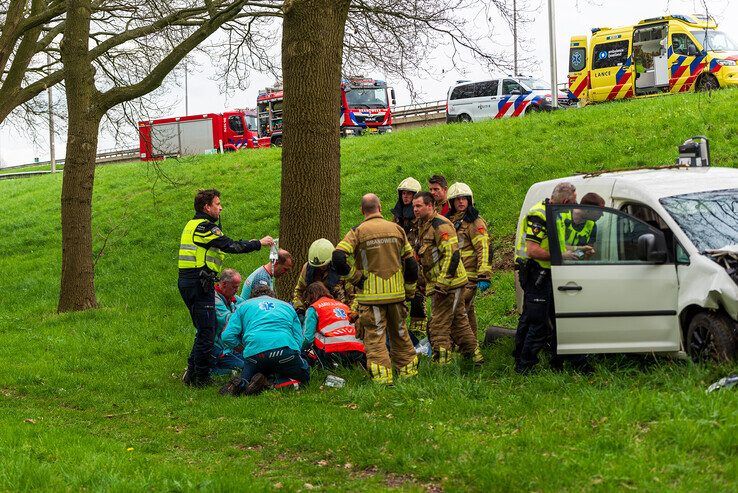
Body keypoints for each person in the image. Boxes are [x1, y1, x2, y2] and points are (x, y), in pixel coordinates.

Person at [178, 188, 273, 387]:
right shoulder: (205, 228)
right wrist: (259, 243)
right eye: (217, 204)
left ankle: (192, 373)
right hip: (198, 283)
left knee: (204, 329)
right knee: (207, 330)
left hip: (191, 282)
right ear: (207, 207)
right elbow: (231, 246)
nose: (221, 208)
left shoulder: (192, 225)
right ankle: (201, 378)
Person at [333, 193, 420, 385]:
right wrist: (409, 290)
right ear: (380, 208)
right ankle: (409, 376)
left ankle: (383, 381)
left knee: (375, 339)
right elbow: (412, 265)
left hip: (372, 298)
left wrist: (355, 277)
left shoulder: (357, 232)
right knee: (400, 335)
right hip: (397, 296)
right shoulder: (397, 229)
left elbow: (338, 257)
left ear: (362, 211)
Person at [513, 182, 583, 374]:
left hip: (549, 273)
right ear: (567, 200)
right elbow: (533, 250)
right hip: (536, 273)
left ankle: (557, 361)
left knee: (538, 318)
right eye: (574, 201)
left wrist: (577, 250)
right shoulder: (540, 215)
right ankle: (525, 367)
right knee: (538, 323)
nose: (574, 205)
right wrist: (561, 256)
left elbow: (556, 245)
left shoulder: (556, 213)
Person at [413, 191, 483, 365]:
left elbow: (452, 255)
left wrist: (442, 283)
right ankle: (474, 357)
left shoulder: (441, 225)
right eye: (414, 206)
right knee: (459, 323)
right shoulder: (424, 225)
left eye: (419, 206)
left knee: (438, 325)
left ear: (430, 206)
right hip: (443, 284)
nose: (415, 209)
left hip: (448, 285)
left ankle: (442, 363)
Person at [219, 285, 309, 396]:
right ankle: (269, 384)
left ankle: (243, 384)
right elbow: (298, 338)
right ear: (273, 296)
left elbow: (227, 336)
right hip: (284, 351)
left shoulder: (242, 306)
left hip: (255, 355)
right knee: (304, 376)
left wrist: (243, 349)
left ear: (252, 297)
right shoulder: (287, 306)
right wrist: (295, 353)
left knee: (251, 373)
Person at [446, 182, 493, 336]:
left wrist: (484, 275)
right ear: (451, 202)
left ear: (469, 200)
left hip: (469, 277)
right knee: (467, 311)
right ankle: (473, 347)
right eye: (457, 199)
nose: (460, 202)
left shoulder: (475, 222)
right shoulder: (450, 222)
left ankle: (456, 344)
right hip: (455, 277)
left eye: (464, 198)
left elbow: (484, 248)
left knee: (456, 312)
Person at [391, 177, 427, 338]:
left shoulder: (420, 217)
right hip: (399, 260)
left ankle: (418, 325)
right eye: (403, 193)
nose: (405, 196)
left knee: (418, 292)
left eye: (409, 194)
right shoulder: (397, 216)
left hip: (417, 259)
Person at [302, 282, 366, 368]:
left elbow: (308, 338)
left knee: (315, 334)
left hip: (334, 350)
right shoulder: (343, 305)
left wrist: (298, 350)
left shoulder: (314, 308)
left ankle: (326, 366)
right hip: (357, 348)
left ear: (310, 296)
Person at [292, 238, 354, 315]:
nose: (320, 268)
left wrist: (351, 313)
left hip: (338, 312)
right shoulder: (307, 268)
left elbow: (353, 295)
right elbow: (299, 291)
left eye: (323, 265)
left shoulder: (342, 267)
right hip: (314, 312)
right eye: (317, 266)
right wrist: (299, 307)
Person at [212, 268, 247, 375]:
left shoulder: (232, 297)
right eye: (234, 287)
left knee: (252, 362)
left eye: (238, 286)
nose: (237, 290)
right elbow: (228, 320)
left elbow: (246, 306)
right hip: (216, 348)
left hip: (229, 347)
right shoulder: (214, 299)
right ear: (223, 284)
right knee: (244, 367)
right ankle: (214, 371)